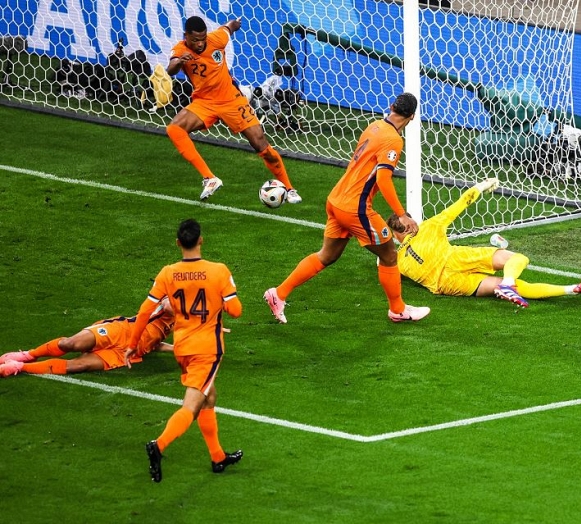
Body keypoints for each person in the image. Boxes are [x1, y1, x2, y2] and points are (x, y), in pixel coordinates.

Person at [264, 92, 429, 324]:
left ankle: (278, 294)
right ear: (412, 117)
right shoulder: (393, 140)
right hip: (355, 208)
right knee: (390, 255)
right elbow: (383, 179)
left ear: (392, 106)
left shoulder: (374, 126)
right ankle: (398, 310)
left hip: (336, 199)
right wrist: (402, 215)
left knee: (327, 255)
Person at [125, 218, 243, 482]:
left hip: (182, 347)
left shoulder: (168, 273)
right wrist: (222, 301)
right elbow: (236, 311)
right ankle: (158, 445)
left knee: (209, 396)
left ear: (178, 243)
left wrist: (132, 345)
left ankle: (217, 458)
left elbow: (144, 311)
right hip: (206, 350)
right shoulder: (218, 271)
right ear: (201, 240)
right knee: (191, 405)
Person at [386, 178, 581, 307]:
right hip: (455, 258)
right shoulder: (428, 226)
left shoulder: (399, 261)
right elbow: (461, 203)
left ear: (395, 236)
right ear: (411, 222)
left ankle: (574, 288)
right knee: (517, 258)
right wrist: (481, 185)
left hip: (446, 284)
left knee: (500, 285)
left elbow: (388, 269)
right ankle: (511, 283)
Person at [165, 16, 301, 203]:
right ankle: (210, 178)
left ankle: (290, 189)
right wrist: (180, 61)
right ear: (186, 36)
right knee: (174, 128)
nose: (200, 43)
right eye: (195, 40)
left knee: (260, 144)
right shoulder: (181, 50)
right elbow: (171, 68)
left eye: (202, 39)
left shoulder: (216, 39)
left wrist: (235, 23)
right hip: (204, 102)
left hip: (231, 100)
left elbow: (228, 27)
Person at [0, 299, 174, 377]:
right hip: (121, 330)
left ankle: (20, 367)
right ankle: (29, 355)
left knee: (79, 366)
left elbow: (153, 341)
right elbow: (167, 305)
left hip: (130, 352)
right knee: (70, 343)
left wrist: (174, 348)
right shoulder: (177, 297)